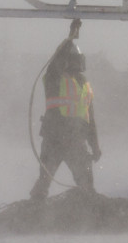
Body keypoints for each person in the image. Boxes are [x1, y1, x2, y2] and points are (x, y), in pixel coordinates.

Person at [30, 18, 102, 200]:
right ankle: (35, 207)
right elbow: (57, 60)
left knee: (86, 184)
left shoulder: (84, 85)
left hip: (76, 140)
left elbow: (90, 120)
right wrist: (71, 37)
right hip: (54, 137)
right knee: (44, 180)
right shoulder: (54, 77)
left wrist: (95, 145)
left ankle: (88, 209)